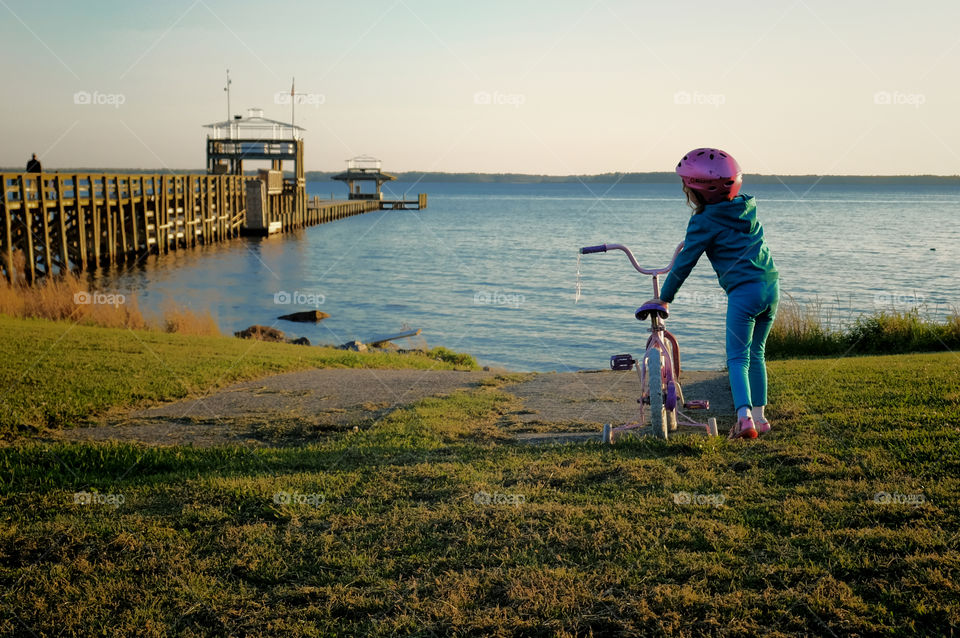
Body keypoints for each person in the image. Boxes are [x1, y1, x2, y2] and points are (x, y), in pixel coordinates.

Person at [645, 148, 779, 439]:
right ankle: (761, 417)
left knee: (737, 358)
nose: (686, 193)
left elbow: (683, 265)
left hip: (744, 293)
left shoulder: (703, 222)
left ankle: (744, 419)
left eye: (687, 187)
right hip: (770, 287)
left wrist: (664, 297)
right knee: (757, 353)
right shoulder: (746, 208)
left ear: (702, 191)